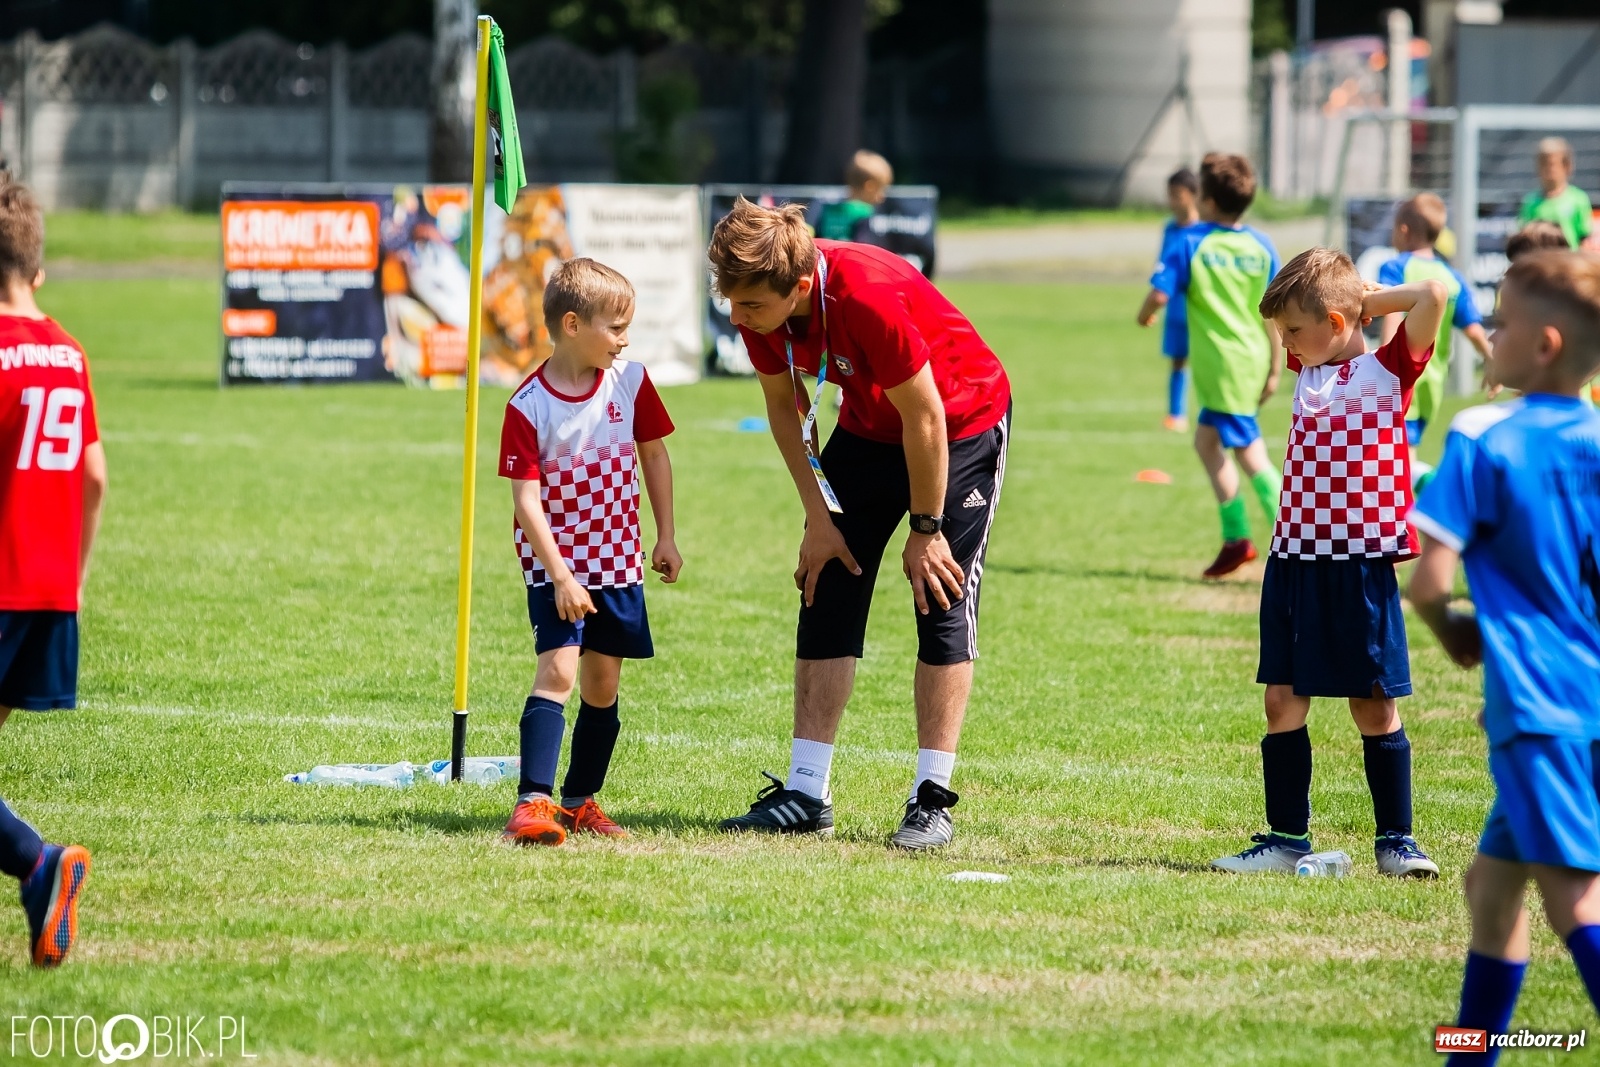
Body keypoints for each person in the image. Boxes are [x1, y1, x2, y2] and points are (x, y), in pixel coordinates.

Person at [707, 197, 1010, 851]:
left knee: (940, 595)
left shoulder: (867, 294)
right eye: (730, 302)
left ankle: (932, 798)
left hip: (959, 424)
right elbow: (783, 411)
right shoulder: (759, 304)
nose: (737, 318)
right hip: (871, 427)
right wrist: (818, 518)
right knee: (827, 579)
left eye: (750, 305)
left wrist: (925, 531)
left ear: (801, 284)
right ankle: (805, 792)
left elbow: (926, 417)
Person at [1409, 251, 1600, 1064]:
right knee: (1490, 888)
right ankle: (1467, 1055)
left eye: (1502, 323)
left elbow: (1426, 580)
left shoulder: (1486, 437)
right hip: (1585, 696)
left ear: (1545, 345)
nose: (1486, 334)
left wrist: (1455, 633)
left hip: (1540, 707)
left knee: (1576, 902)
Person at [1211, 247, 1445, 877]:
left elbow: (1432, 296)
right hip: (1294, 560)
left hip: (1358, 564)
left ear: (1337, 325)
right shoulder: (1306, 366)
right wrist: (1331, 308)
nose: (1284, 342)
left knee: (1373, 704)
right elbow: (1311, 317)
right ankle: (1287, 839)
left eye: (1291, 329)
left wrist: (1364, 297)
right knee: (1282, 700)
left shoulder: (1390, 371)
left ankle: (1397, 841)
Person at [496, 258, 681, 846]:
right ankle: (532, 805)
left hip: (619, 559)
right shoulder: (527, 405)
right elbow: (526, 501)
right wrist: (560, 576)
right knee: (559, 672)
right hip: (557, 567)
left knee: (603, 686)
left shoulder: (631, 381)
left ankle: (579, 802)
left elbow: (654, 454)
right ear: (572, 325)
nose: (625, 339)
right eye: (616, 326)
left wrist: (667, 534)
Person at [0, 177, 98, 963]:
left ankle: (39, 863)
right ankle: (39, 879)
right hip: (49, 590)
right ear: (38, 272)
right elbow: (95, 477)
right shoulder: (69, 353)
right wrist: (78, 578)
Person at [1142, 153, 1283, 579]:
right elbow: (1275, 312)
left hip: (1223, 366)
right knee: (1206, 442)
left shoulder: (1191, 242)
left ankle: (1296, 537)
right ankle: (1236, 538)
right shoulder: (1261, 246)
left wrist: (1145, 311)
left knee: (1249, 452)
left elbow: (1161, 293)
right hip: (1251, 358)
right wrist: (1276, 368)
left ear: (1206, 199)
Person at [1376, 193, 1492, 456]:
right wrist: (1491, 360)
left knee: (1396, 460)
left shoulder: (1396, 268)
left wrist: (1382, 367)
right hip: (1433, 382)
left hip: (1402, 376)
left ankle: (1431, 488)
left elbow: (1392, 318)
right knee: (1403, 453)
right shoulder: (1451, 278)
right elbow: (1473, 328)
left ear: (1403, 231)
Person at [1136, 167, 1200, 432]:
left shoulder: (1203, 231)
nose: (1173, 201)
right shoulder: (1170, 228)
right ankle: (1176, 414)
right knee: (1178, 358)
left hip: (1200, 307)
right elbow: (1162, 267)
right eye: (1170, 195)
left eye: (1178, 195)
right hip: (1175, 307)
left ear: (1193, 196)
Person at [1517, 137, 1593, 252]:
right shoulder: (1530, 201)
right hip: (1539, 264)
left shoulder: (1578, 199)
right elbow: (1523, 236)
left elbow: (1585, 238)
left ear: (1566, 166)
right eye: (1542, 164)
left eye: (1551, 164)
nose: (1547, 170)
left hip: (1568, 264)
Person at [816, 149, 893, 243]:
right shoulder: (865, 213)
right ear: (870, 187)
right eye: (881, 189)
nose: (882, 196)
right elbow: (862, 246)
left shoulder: (828, 209)